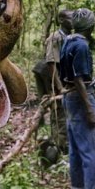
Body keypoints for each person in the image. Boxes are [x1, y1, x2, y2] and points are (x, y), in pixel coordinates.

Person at [59, 8, 95, 189]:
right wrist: (90, 110)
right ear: (91, 27)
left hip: (69, 98)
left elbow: (69, 75)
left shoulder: (67, 41)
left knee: (76, 149)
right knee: (92, 152)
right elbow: (78, 78)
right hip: (80, 98)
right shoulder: (81, 46)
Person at [31, 9, 72, 155]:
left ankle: (64, 142)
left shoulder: (69, 36)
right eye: (69, 17)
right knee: (58, 111)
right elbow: (51, 63)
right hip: (53, 78)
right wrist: (60, 87)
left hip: (63, 78)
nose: (72, 19)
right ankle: (60, 146)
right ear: (61, 20)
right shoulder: (55, 37)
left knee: (66, 112)